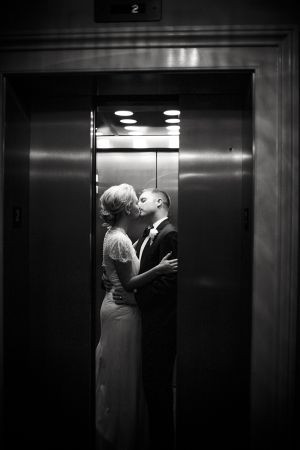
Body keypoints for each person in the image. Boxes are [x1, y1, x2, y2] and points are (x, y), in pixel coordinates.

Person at [95, 183, 178, 450]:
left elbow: (169, 286)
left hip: (154, 322)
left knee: (149, 382)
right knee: (126, 374)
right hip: (125, 313)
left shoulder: (168, 235)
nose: (138, 204)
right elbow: (125, 275)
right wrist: (109, 280)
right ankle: (121, 431)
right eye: (135, 200)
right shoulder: (137, 235)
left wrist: (129, 293)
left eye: (143, 199)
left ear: (159, 203)